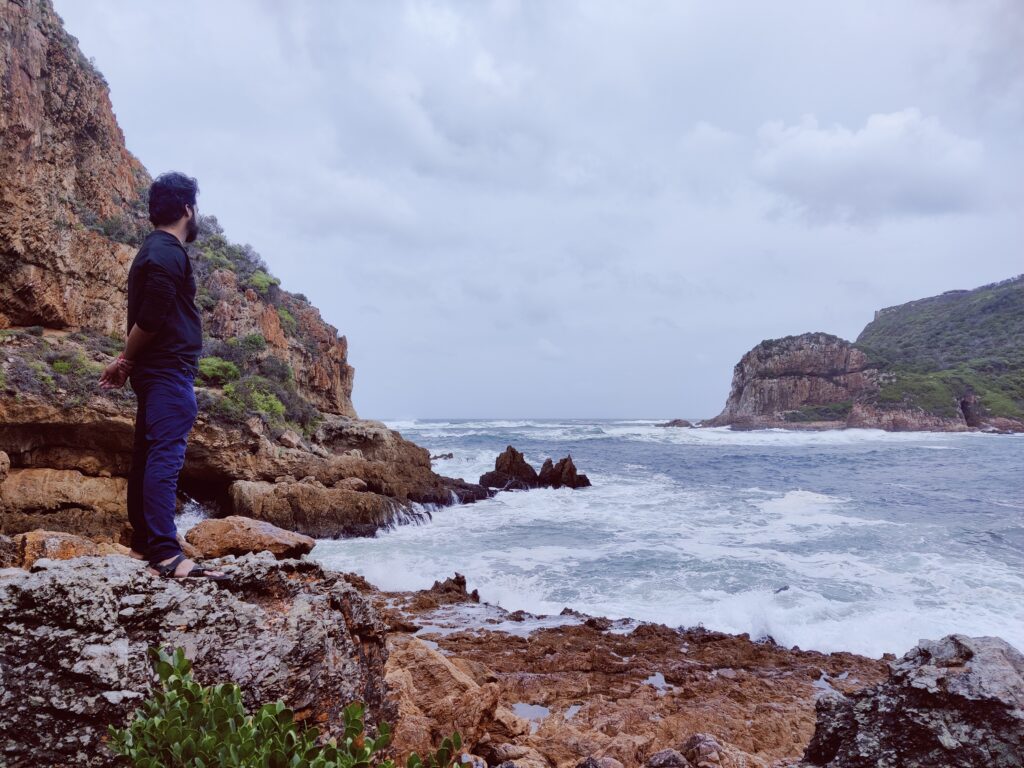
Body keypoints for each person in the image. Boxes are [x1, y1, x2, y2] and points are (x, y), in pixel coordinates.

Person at [99, 172, 226, 581]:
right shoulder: (168, 252)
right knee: (165, 457)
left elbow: (147, 318)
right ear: (188, 208)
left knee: (149, 452)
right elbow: (151, 319)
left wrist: (127, 362)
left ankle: (144, 543)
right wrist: (126, 361)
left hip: (158, 370)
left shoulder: (152, 251)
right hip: (168, 370)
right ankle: (166, 553)